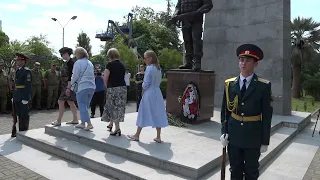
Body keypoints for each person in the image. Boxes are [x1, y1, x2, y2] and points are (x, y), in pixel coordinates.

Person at [220, 44, 273, 180]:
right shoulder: (229, 84)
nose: (243, 63)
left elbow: (266, 116)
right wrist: (224, 132)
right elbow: (225, 112)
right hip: (234, 134)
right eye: (241, 59)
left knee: (251, 172)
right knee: (235, 170)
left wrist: (265, 141)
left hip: (253, 137)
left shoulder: (263, 86)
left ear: (256, 64)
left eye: (248, 60)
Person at [127, 50, 168, 143]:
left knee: (143, 112)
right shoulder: (158, 68)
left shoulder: (149, 68)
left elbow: (146, 83)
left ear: (150, 58)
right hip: (157, 92)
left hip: (149, 92)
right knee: (158, 112)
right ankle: (158, 136)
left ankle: (137, 135)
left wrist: (143, 92)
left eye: (145, 58)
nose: (144, 60)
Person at [170, 0, 213, 70]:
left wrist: (197, 12)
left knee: (196, 40)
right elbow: (178, 7)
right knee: (187, 41)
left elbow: (208, 5)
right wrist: (175, 15)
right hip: (184, 20)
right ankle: (188, 62)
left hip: (196, 20)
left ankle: (197, 62)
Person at [101, 48, 127, 136]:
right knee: (119, 107)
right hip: (122, 88)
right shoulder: (122, 65)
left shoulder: (110, 65)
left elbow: (105, 77)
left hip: (113, 88)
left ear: (110, 56)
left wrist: (106, 86)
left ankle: (117, 128)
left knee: (112, 107)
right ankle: (111, 124)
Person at [51, 47, 78, 126]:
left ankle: (59, 120)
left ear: (66, 53)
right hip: (66, 86)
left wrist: (68, 88)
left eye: (62, 54)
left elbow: (71, 76)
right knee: (70, 102)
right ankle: (75, 119)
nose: (62, 56)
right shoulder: (68, 62)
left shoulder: (71, 63)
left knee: (60, 101)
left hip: (68, 86)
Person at [71, 47, 96, 131]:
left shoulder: (78, 63)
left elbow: (75, 75)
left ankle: (89, 124)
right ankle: (82, 123)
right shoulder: (90, 63)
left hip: (82, 86)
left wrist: (71, 85)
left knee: (82, 106)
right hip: (92, 87)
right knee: (85, 106)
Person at [12, 53, 32, 133]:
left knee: (24, 115)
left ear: (23, 61)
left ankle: (23, 131)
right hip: (17, 95)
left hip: (23, 96)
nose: (16, 62)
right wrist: (14, 95)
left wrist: (26, 98)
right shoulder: (18, 71)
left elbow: (28, 86)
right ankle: (18, 131)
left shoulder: (27, 71)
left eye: (18, 60)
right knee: (17, 115)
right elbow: (16, 85)